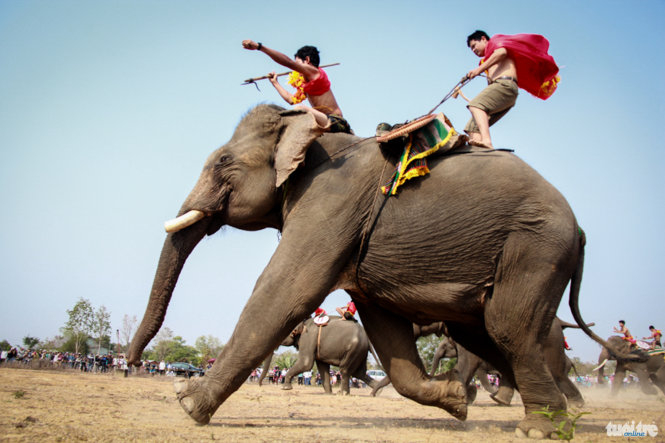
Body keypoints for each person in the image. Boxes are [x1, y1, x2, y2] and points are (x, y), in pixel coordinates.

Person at [460, 30, 559, 150]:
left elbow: (502, 52)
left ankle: (486, 141)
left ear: (483, 39)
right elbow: (490, 90)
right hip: (502, 91)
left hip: (505, 85)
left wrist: (478, 70)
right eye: (471, 49)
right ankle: (481, 150)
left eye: (474, 46)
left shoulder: (495, 42)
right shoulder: (486, 60)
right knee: (471, 127)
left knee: (475, 106)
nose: (473, 50)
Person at [242, 40, 352, 134]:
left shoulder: (314, 72)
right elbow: (291, 100)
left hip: (336, 121)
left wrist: (260, 47)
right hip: (322, 119)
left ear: (307, 60)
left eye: (298, 64)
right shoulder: (306, 81)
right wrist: (275, 83)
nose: (296, 69)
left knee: (300, 109)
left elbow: (288, 62)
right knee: (299, 108)